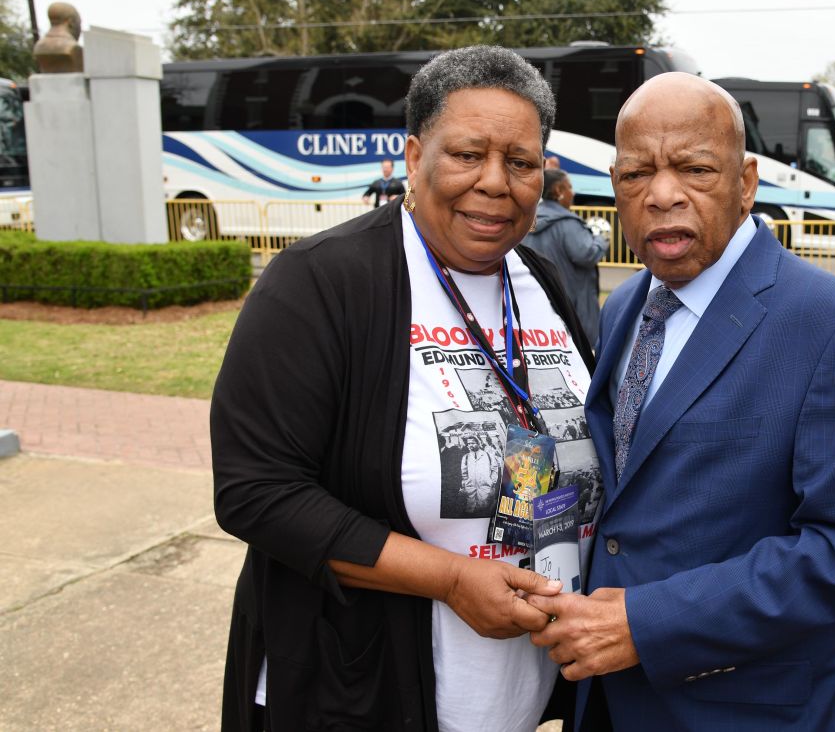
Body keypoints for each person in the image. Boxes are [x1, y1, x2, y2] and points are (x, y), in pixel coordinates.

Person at [212, 45, 603, 731]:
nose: (494, 182)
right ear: (415, 156)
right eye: (466, 155)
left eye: (520, 162)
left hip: (517, 693)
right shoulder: (318, 283)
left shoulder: (537, 279)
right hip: (363, 693)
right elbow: (257, 492)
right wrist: (450, 578)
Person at [527, 73, 835, 730]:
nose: (663, 194)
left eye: (695, 169)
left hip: (750, 708)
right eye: (636, 175)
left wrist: (647, 624)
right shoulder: (625, 308)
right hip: (611, 701)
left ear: (747, 180)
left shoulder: (834, 325)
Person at [522, 169, 609, 342]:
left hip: (538, 306)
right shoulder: (568, 224)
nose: (573, 192)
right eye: (569, 187)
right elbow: (587, 254)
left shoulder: (528, 223)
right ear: (559, 191)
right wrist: (601, 239)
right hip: (572, 308)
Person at [460, 434, 497, 511]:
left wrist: (492, 481)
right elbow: (464, 473)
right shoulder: (466, 457)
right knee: (471, 511)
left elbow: (494, 469)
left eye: (473, 443)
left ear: (478, 443)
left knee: (484, 510)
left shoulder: (488, 455)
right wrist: (465, 485)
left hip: (485, 488)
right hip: (470, 489)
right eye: (469, 444)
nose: (470, 445)